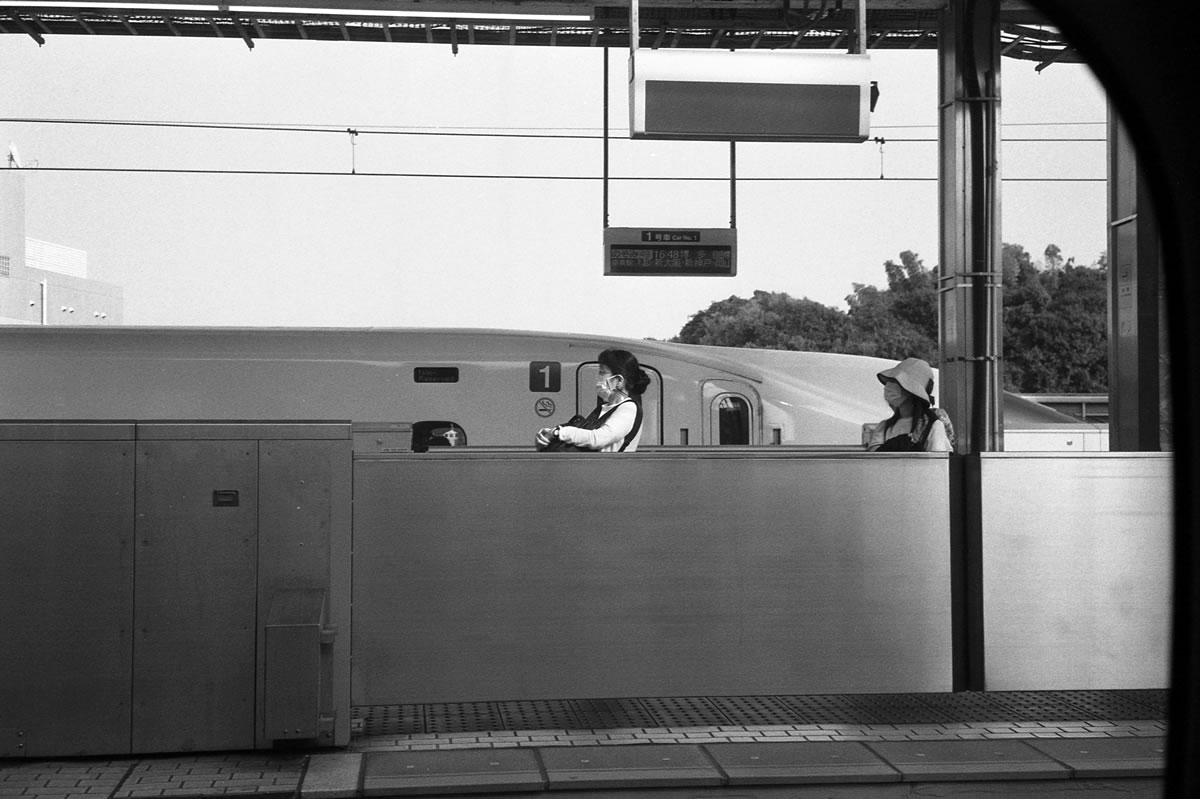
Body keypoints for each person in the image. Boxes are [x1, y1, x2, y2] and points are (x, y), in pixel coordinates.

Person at [536, 348, 649, 452]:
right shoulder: (604, 408)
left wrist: (558, 433)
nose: (598, 377)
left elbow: (598, 438)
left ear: (618, 380)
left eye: (602, 373)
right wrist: (548, 437)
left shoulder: (628, 408)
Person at [864, 357, 956, 452]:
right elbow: (873, 459)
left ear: (912, 391)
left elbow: (938, 463)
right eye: (891, 381)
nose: (889, 387)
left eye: (897, 383)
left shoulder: (933, 426)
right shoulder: (884, 427)